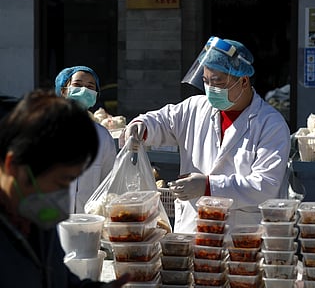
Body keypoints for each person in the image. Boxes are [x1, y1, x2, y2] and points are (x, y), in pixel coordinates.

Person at [120, 36, 291, 233]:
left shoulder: (271, 124)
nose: (210, 89)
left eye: (217, 82)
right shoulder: (196, 108)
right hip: (191, 232)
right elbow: (162, 120)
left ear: (243, 81)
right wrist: (142, 125)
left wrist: (208, 186)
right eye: (205, 81)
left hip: (239, 240)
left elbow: (266, 186)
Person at [0, 89, 130, 287]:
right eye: (61, 182)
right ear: (14, 166)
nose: (63, 197)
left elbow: (58, 281)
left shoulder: (35, 215)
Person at [55, 66, 117, 213]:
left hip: (89, 222)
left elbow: (109, 182)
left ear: (95, 95)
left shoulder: (102, 137)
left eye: (90, 86)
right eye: (77, 85)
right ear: (64, 91)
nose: (84, 90)